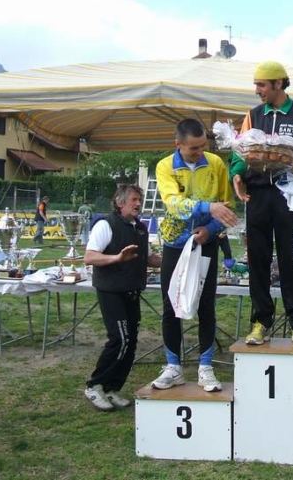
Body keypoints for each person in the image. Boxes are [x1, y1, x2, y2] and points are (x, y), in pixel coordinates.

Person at [230, 61, 293, 347]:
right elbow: (240, 153)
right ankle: (260, 322)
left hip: (289, 197)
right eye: (256, 84)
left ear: (278, 83)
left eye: (261, 85)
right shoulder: (253, 115)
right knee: (257, 260)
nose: (256, 90)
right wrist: (236, 174)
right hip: (258, 195)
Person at [152, 118, 237, 392]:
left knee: (206, 305)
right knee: (171, 306)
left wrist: (210, 230)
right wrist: (208, 207)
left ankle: (206, 368)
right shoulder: (165, 166)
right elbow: (173, 204)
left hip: (206, 244)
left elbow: (226, 208)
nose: (200, 152)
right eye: (194, 148)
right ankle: (173, 367)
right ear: (178, 144)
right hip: (175, 244)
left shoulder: (216, 164)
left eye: (203, 146)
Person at [83, 185, 162, 411]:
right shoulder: (106, 225)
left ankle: (111, 388)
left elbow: (148, 258)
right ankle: (94, 385)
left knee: (131, 342)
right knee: (120, 339)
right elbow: (90, 257)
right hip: (111, 290)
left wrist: (177, 259)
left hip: (132, 290)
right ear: (120, 202)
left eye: (140, 200)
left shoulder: (140, 228)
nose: (138, 204)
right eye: (134, 200)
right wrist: (117, 258)